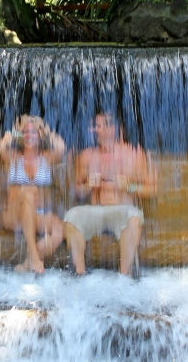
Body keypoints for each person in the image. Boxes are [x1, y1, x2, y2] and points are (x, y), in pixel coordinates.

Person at [64, 113, 155, 276]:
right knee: (72, 217)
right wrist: (87, 186)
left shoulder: (133, 154)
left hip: (122, 210)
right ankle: (79, 274)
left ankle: (124, 276)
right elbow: (74, 191)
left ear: (112, 129)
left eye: (98, 126)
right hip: (95, 211)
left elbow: (152, 189)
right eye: (94, 126)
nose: (93, 130)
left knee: (133, 218)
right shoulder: (86, 155)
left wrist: (130, 186)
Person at [0, 115, 66, 273]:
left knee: (59, 228)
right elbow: (2, 146)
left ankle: (27, 264)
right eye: (25, 132)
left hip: (36, 215)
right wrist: (14, 131)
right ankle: (34, 255)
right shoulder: (12, 158)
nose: (29, 136)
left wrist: (47, 132)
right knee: (28, 195)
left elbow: (60, 147)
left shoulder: (46, 159)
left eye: (33, 132)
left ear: (40, 135)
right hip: (13, 215)